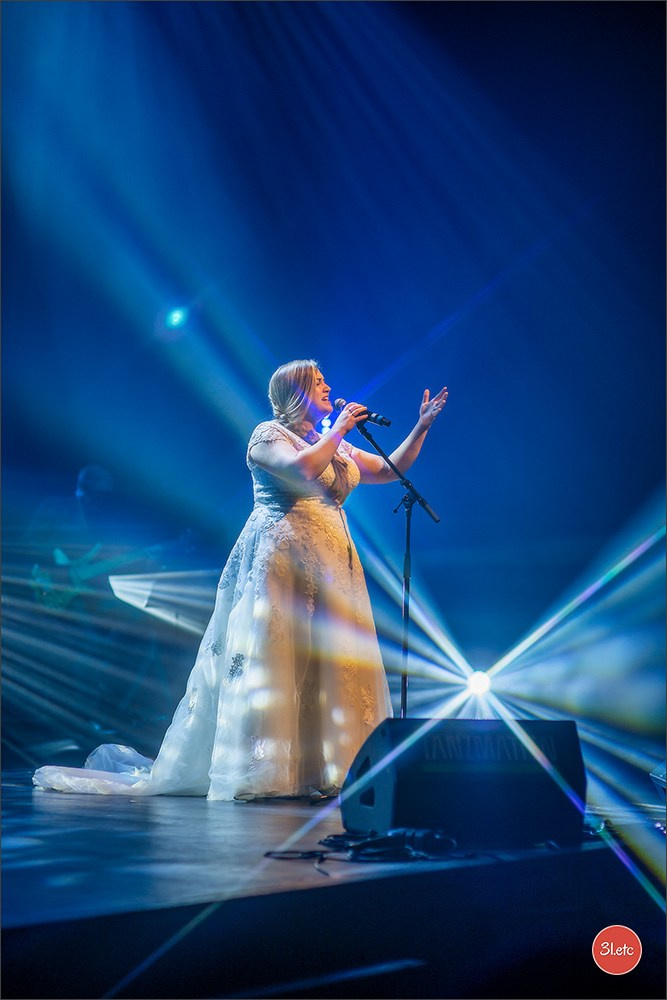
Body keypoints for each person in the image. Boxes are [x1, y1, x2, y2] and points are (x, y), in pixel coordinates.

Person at [32, 360, 448, 800]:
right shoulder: (268, 437)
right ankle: (264, 770)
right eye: (319, 383)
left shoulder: (330, 443)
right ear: (296, 393)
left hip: (332, 568)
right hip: (283, 564)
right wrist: (340, 428)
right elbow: (303, 470)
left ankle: (325, 767)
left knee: (329, 664)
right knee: (279, 659)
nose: (329, 388)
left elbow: (388, 469)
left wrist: (420, 427)